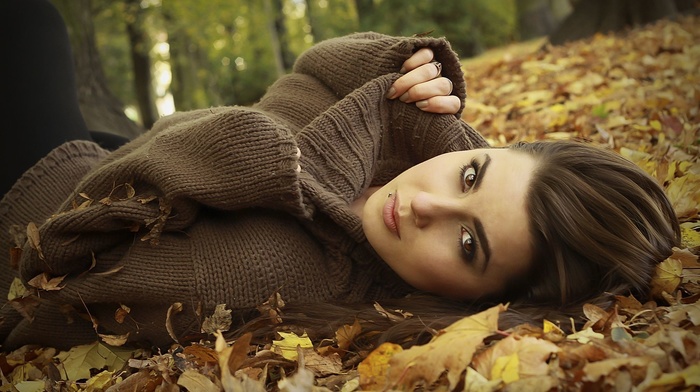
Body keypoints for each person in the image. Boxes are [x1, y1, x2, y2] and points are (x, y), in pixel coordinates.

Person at [0, 0, 680, 351]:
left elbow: (66, 254)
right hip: (116, 153)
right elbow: (308, 76)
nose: (428, 206)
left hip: (32, 205)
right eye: (471, 175)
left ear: (483, 302)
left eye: (469, 246)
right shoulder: (413, 147)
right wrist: (402, 64)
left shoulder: (281, 275)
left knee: (28, 24)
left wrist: (303, 155)